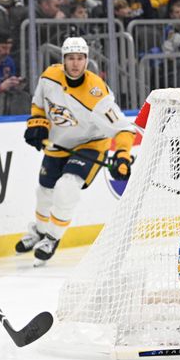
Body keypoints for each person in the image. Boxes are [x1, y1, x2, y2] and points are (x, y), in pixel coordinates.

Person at [18, 37, 136, 264]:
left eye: (80, 58)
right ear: (63, 60)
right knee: (44, 192)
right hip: (58, 144)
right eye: (71, 58)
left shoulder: (97, 95)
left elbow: (124, 128)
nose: (75, 63)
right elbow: (38, 104)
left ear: (87, 61)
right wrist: (37, 122)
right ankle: (40, 231)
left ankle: (52, 237)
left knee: (67, 187)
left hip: (90, 144)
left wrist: (122, 155)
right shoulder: (49, 77)